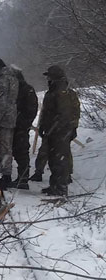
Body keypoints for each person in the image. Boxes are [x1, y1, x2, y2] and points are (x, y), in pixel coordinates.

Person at [38, 65, 80, 196]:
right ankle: (54, 185)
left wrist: (54, 128)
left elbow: (63, 114)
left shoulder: (61, 91)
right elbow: (47, 112)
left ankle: (61, 187)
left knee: (60, 160)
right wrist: (43, 127)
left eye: (49, 76)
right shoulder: (52, 91)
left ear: (54, 77)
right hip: (53, 131)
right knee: (53, 159)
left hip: (60, 132)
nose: (48, 79)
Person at [0, 58, 19, 190]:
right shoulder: (13, 78)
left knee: (4, 149)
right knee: (7, 148)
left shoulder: (2, 81)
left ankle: (6, 177)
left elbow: (0, 104)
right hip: (11, 117)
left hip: (4, 119)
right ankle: (6, 175)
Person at [10, 69, 38, 190]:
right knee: (18, 151)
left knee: (21, 152)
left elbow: (32, 109)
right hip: (16, 125)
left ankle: (23, 178)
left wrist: (24, 123)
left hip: (21, 126)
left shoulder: (26, 90)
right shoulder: (20, 89)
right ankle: (22, 177)